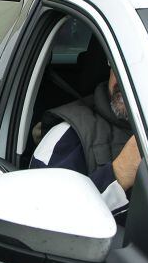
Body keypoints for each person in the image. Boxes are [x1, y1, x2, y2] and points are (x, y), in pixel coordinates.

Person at [30, 68, 139, 217]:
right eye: (120, 65)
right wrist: (117, 175)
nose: (126, 80)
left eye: (142, 70)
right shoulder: (67, 138)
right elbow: (44, 221)